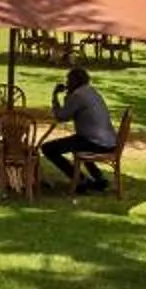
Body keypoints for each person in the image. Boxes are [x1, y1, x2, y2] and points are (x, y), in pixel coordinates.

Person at [39, 64, 117, 195]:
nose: (67, 83)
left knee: (48, 148)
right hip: (109, 141)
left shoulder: (78, 96)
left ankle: (81, 181)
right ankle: (98, 178)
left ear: (75, 81)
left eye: (69, 80)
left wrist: (55, 97)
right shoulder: (91, 91)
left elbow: (61, 116)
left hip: (96, 143)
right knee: (77, 143)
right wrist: (68, 95)